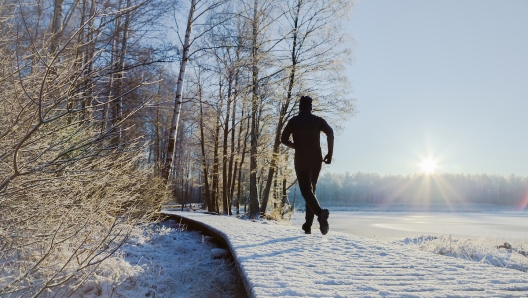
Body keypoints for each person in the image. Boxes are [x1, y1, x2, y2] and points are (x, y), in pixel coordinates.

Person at [281, 96, 334, 235]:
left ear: (300, 108)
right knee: (311, 191)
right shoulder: (317, 120)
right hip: (316, 159)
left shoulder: (294, 121)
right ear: (311, 108)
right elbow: (330, 132)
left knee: (305, 190)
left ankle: (320, 213)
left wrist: (294, 145)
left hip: (301, 158)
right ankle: (308, 226)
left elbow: (283, 139)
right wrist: (330, 153)